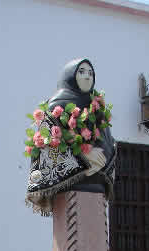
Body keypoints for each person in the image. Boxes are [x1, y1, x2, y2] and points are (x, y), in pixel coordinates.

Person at [26, 58, 116, 216]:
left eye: (90, 73)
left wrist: (102, 158)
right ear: (70, 76)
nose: (87, 77)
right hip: (69, 192)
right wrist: (84, 159)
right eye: (81, 72)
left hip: (96, 187)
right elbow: (47, 152)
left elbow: (108, 143)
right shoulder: (56, 107)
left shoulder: (97, 109)